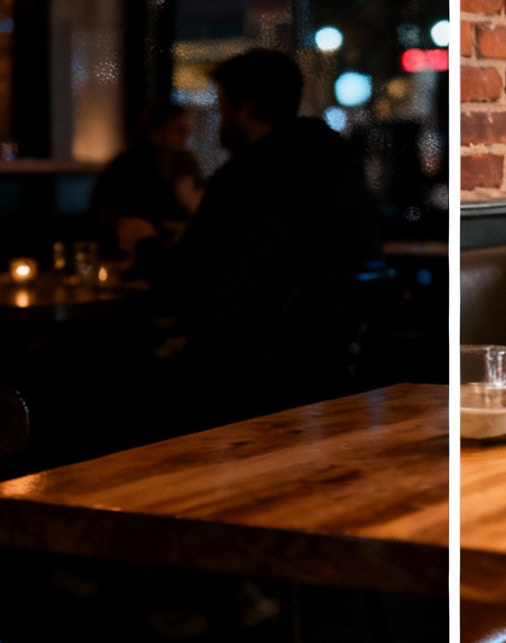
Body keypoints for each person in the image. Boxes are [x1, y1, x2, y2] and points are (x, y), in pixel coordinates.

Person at [157, 49, 382, 421]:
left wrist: (143, 244)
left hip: (249, 382)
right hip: (339, 383)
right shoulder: (340, 171)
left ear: (243, 108)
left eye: (223, 108)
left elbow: (182, 283)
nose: (220, 123)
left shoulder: (243, 181)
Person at [90, 100, 205, 242]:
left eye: (187, 131)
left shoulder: (186, 163)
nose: (185, 137)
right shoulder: (128, 166)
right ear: (155, 133)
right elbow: (105, 213)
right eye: (179, 131)